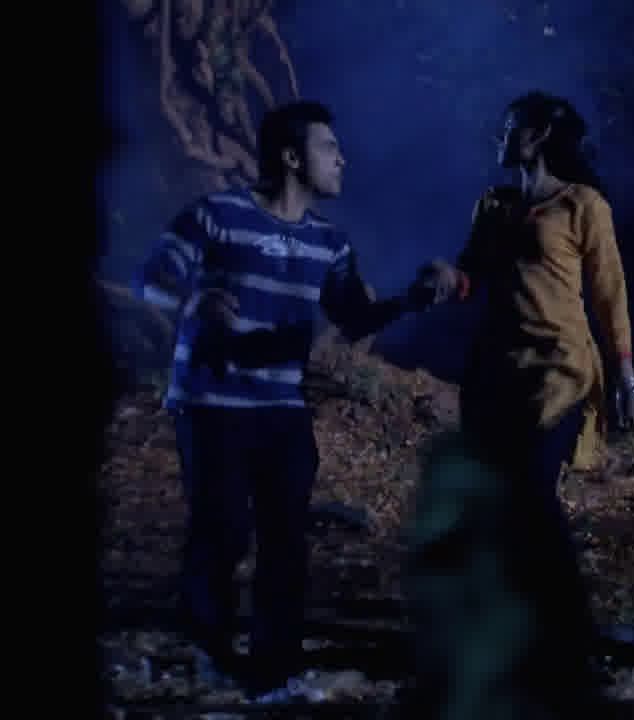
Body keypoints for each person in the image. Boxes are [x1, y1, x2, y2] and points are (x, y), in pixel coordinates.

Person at [135, 100, 438, 701]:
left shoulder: (330, 243)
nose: (342, 159)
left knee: (286, 539)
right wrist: (195, 304)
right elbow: (153, 279)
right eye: (330, 148)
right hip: (212, 405)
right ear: (293, 157)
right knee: (222, 530)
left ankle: (274, 671)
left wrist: (414, 297)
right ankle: (213, 652)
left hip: (282, 410)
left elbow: (353, 317)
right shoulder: (217, 215)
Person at [417, 90, 634, 714]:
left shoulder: (582, 205)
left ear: (539, 134)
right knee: (501, 505)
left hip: (559, 373)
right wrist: (447, 280)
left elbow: (610, 293)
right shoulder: (494, 205)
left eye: (511, 125)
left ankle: (564, 632)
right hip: (496, 375)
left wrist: (625, 373)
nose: (500, 133)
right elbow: (473, 278)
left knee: (534, 495)